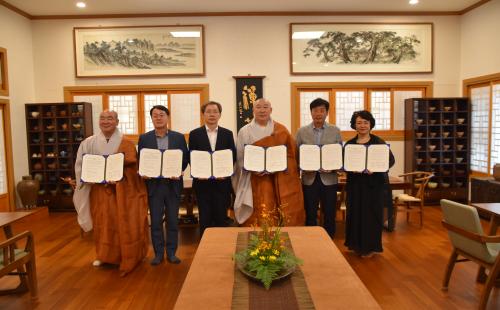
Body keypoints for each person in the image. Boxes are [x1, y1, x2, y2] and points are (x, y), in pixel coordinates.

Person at [73, 110, 149, 276]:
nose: (106, 121)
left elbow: (134, 169)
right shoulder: (89, 143)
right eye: (102, 118)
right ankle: (103, 255)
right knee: (102, 221)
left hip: (120, 192)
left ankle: (126, 254)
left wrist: (120, 179)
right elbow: (80, 165)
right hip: (99, 190)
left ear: (117, 121)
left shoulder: (126, 143)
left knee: (121, 221)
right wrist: (88, 177)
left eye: (110, 118)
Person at [233, 98, 305, 226]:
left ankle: (275, 238)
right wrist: (252, 168)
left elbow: (290, 154)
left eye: (265, 107)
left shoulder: (281, 130)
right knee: (257, 208)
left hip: (276, 178)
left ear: (271, 110)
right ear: (253, 110)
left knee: (274, 207)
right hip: (253, 178)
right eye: (258, 107)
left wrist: (277, 166)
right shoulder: (245, 131)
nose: (262, 110)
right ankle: (254, 237)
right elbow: (240, 157)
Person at [138, 105, 189, 265]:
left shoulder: (178, 137)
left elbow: (185, 158)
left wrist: (179, 170)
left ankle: (172, 253)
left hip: (172, 184)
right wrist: (143, 171)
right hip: (154, 185)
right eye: (155, 115)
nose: (158, 118)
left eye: (161, 115)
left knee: (173, 220)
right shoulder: (144, 138)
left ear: (167, 117)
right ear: (151, 118)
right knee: (156, 221)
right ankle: (158, 254)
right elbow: (142, 159)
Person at [344, 110, 395, 257]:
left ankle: (370, 247)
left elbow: (390, 161)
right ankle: (354, 244)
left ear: (371, 124)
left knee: (371, 216)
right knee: (354, 214)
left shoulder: (379, 142)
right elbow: (344, 163)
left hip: (374, 186)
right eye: (359, 122)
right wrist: (350, 169)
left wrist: (377, 169)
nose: (362, 125)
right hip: (355, 185)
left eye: (365, 122)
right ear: (354, 125)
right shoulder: (350, 144)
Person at [188, 101, 236, 237]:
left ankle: (220, 245)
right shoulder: (195, 134)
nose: (212, 114)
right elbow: (193, 156)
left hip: (222, 183)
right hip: (202, 183)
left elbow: (231, 155)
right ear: (203, 114)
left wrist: (225, 172)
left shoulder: (227, 134)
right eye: (208, 111)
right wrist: (199, 172)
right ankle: (205, 248)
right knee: (205, 217)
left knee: (221, 216)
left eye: (215, 111)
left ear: (220, 115)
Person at [295, 98, 342, 238]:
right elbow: (296, 154)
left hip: (329, 179)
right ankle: (311, 239)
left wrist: (334, 168)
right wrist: (302, 168)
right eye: (315, 110)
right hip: (309, 179)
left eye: (322, 110)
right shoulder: (301, 132)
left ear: (327, 112)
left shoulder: (335, 131)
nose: (318, 113)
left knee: (329, 212)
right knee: (310, 212)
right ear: (311, 112)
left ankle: (329, 240)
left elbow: (339, 154)